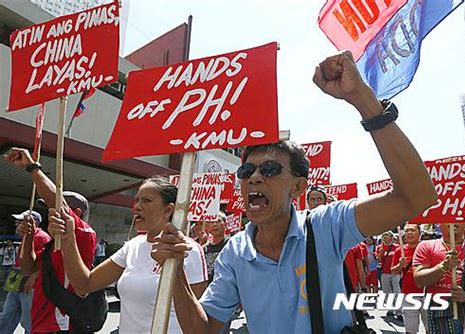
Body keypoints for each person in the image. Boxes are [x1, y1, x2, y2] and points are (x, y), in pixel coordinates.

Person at [150, 50, 437, 333]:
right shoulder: (235, 253)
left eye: (271, 170)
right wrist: (175, 274)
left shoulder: (326, 226)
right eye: (247, 172)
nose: (256, 178)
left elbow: (417, 196)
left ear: (298, 186)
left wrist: (363, 100)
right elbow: (205, 331)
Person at [48, 176, 208, 333]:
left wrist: (176, 268)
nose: (137, 207)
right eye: (137, 200)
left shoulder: (188, 250)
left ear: (168, 209)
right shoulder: (132, 246)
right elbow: (84, 285)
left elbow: (197, 325)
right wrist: (68, 239)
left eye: (146, 201)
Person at [5, 148, 97, 333]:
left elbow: (59, 205)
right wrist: (29, 236)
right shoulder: (53, 241)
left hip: (61, 325)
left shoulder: (84, 233)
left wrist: (32, 167)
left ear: (76, 213)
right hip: (41, 322)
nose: (50, 212)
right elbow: (28, 268)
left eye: (54, 207)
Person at [413, 223, 465, 333]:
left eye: (458, 218)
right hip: (438, 315)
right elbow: (419, 281)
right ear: (440, 224)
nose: (453, 222)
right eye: (447, 218)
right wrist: (443, 267)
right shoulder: (426, 246)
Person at [0, 211, 51, 334]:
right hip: (17, 282)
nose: (17, 224)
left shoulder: (41, 237)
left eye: (20, 221)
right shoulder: (27, 237)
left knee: (29, 321)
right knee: (7, 315)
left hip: (29, 285)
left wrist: (32, 279)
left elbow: (47, 261)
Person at [391, 223, 426, 332]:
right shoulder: (399, 251)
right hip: (408, 295)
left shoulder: (427, 247)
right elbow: (393, 271)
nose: (409, 233)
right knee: (410, 329)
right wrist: (400, 265)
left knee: (431, 328)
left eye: (412, 230)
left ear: (419, 233)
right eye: (407, 231)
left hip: (427, 293)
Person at [376, 230, 401, 317]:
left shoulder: (397, 247)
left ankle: (399, 312)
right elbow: (378, 260)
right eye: (384, 238)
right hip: (385, 272)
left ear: (391, 238)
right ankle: (391, 308)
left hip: (395, 272)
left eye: (388, 238)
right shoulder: (380, 247)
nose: (386, 240)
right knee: (386, 291)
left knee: (397, 291)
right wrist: (380, 253)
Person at [203, 212, 230, 283]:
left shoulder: (232, 245)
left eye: (218, 221)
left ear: (225, 224)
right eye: (211, 222)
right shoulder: (203, 249)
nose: (214, 224)